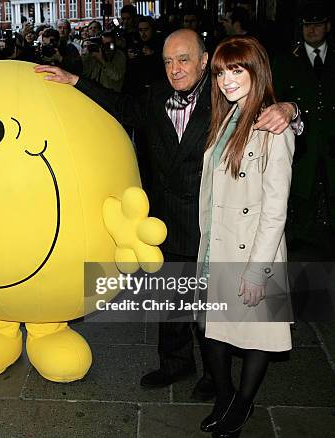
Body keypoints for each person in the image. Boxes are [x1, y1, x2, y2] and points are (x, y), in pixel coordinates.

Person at [34, 28, 299, 401]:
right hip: (165, 220)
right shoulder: (158, 94)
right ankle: (175, 363)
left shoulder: (223, 94)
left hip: (208, 225)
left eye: (184, 59)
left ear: (205, 61)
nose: (175, 69)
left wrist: (290, 110)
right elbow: (122, 106)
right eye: (168, 61)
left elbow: (271, 105)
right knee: (171, 300)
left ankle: (213, 375)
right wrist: (75, 80)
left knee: (209, 308)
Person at [198, 35, 294, 438]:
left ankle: (242, 402)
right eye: (221, 71)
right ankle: (225, 396)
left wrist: (257, 272)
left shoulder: (274, 127)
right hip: (217, 244)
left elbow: (275, 209)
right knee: (212, 328)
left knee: (256, 334)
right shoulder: (227, 118)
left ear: (257, 70)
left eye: (237, 69)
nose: (226, 79)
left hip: (252, 248)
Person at [272, 5, 334, 259]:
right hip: (302, 151)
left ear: (328, 26)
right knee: (300, 209)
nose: (312, 30)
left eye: (318, 24)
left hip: (332, 149)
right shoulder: (287, 60)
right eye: (307, 25)